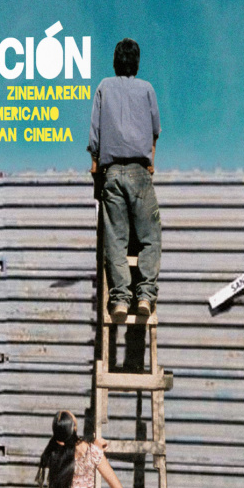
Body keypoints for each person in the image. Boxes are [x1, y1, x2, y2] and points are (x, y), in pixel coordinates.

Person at [88, 37, 162, 322]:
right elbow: (155, 131)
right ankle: (145, 296)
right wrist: (151, 162)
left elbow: (94, 135)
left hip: (112, 173)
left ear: (115, 62)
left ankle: (119, 300)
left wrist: (96, 168)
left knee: (115, 241)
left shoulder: (104, 87)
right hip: (140, 171)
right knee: (149, 237)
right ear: (137, 63)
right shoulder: (147, 89)